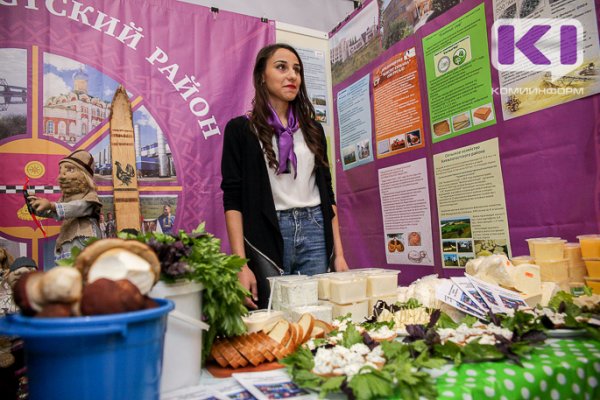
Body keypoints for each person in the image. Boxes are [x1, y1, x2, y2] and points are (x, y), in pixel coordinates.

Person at [221, 43, 348, 310]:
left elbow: (328, 192)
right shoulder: (240, 130)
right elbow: (232, 199)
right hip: (267, 232)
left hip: (315, 228)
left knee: (317, 313)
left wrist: (340, 254)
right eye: (281, 67)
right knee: (275, 313)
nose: (292, 75)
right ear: (261, 76)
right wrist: (240, 264)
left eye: (297, 70)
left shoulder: (312, 130)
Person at [27, 150, 102, 261]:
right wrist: (36, 206)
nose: (63, 174)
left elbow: (78, 207)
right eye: (61, 170)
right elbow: (54, 212)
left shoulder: (91, 197)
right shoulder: (65, 199)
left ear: (84, 175)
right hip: (68, 240)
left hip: (85, 240)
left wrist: (51, 206)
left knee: (85, 269)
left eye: (70, 169)